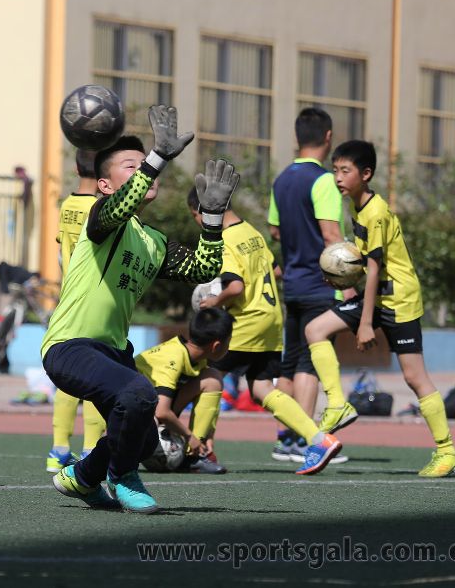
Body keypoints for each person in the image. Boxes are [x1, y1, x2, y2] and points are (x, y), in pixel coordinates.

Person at [42, 105, 238, 514]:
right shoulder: (101, 218)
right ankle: (122, 477)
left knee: (144, 437)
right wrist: (158, 155)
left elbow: (204, 269)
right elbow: (120, 206)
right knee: (138, 394)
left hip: (113, 352)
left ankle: (82, 477)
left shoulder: (153, 241)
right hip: (69, 346)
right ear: (105, 185)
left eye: (143, 165)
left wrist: (213, 218)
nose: (143, 172)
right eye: (129, 166)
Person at [305, 140, 455, 478]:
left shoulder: (376, 212)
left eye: (345, 171)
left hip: (399, 300)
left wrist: (365, 323)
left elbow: (376, 268)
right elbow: (366, 263)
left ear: (366, 174)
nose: (338, 177)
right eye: (335, 170)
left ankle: (447, 451)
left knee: (414, 377)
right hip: (377, 296)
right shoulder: (356, 207)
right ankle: (338, 404)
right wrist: (342, 274)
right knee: (315, 329)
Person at [188, 189, 342, 476]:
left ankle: (199, 450)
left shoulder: (224, 238)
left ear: (205, 211)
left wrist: (213, 301)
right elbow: (276, 271)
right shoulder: (252, 233)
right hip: (271, 319)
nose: (198, 222)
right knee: (262, 389)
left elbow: (236, 287)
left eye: (195, 216)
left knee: (208, 376)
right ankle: (319, 439)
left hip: (247, 320)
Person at [268, 107, 352, 463]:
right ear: (328, 137)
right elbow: (331, 234)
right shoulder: (324, 181)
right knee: (309, 363)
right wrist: (349, 281)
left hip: (292, 283)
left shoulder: (282, 180)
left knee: (289, 363)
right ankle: (307, 442)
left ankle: (285, 439)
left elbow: (275, 230)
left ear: (296, 136)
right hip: (321, 284)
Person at [46, 150, 107, 472]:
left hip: (67, 299)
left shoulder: (68, 204)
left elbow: (61, 253)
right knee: (99, 375)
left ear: (75, 166)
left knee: (68, 375)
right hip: (92, 300)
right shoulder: (99, 208)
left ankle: (58, 450)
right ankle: (90, 449)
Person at [134, 308, 234, 475]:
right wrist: (189, 436)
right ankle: (115, 455)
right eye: (229, 341)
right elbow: (162, 411)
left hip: (150, 406)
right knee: (153, 421)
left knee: (212, 379)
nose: (229, 347)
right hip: (126, 412)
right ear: (216, 345)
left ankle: (193, 457)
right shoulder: (172, 358)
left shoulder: (196, 357)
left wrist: (207, 437)